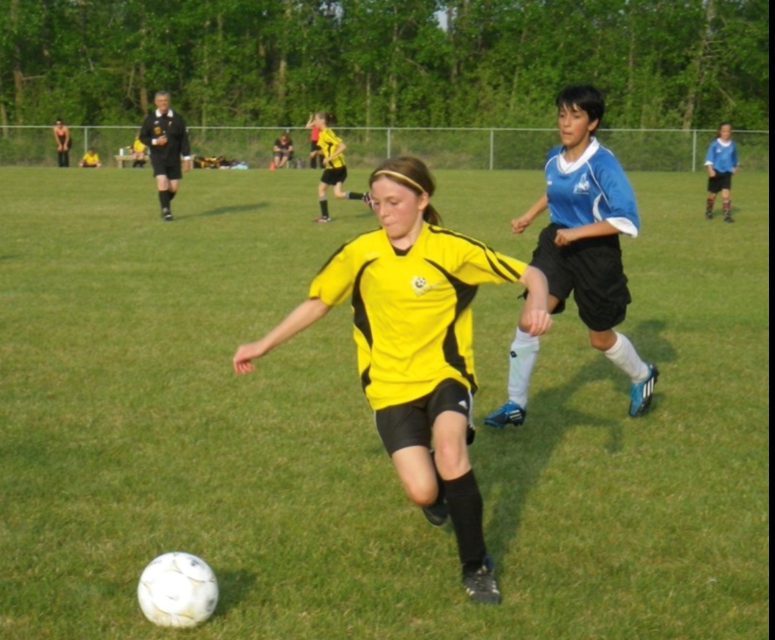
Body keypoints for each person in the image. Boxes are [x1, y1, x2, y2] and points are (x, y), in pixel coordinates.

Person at [233, 156, 553, 605]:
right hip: (388, 385)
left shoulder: (451, 250)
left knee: (449, 450)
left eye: (395, 202)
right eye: (375, 202)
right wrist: (262, 344)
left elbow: (532, 272)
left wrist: (536, 302)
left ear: (422, 200)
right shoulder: (360, 253)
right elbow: (318, 302)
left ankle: (476, 566)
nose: (384, 212)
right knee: (423, 489)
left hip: (446, 375)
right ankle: (439, 497)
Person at [484, 85, 659, 430]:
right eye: (562, 115)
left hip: (596, 254)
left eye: (575, 116)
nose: (566, 123)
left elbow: (627, 220)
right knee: (529, 319)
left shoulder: (603, 164)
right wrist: (529, 215)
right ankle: (515, 404)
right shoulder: (554, 156)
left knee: (599, 337)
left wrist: (579, 232)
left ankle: (643, 374)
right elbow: (554, 190)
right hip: (557, 245)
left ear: (592, 123)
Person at [138, 91, 191, 222]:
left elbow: (184, 140)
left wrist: (187, 158)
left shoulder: (177, 119)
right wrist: (156, 142)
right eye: (160, 101)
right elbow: (143, 137)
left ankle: (164, 205)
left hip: (173, 158)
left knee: (173, 188)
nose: (163, 103)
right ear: (156, 103)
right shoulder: (150, 119)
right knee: (162, 181)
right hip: (158, 157)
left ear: (169, 102)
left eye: (165, 100)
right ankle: (166, 211)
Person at [311, 111, 369, 223]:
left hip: (334, 168)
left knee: (321, 189)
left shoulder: (327, 132)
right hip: (340, 167)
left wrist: (329, 158)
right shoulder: (323, 134)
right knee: (338, 194)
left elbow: (342, 146)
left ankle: (325, 217)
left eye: (316, 119)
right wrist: (317, 153)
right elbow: (328, 149)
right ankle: (365, 196)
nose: (314, 122)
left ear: (322, 121)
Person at [704, 122, 739, 223]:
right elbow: (709, 158)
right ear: (720, 131)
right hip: (716, 172)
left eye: (728, 131)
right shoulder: (714, 144)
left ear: (730, 132)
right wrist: (710, 169)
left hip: (727, 172)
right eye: (724, 131)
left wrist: (735, 166)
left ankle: (727, 215)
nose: (726, 133)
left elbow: (734, 158)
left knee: (726, 194)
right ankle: (709, 211)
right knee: (713, 195)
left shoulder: (732, 144)